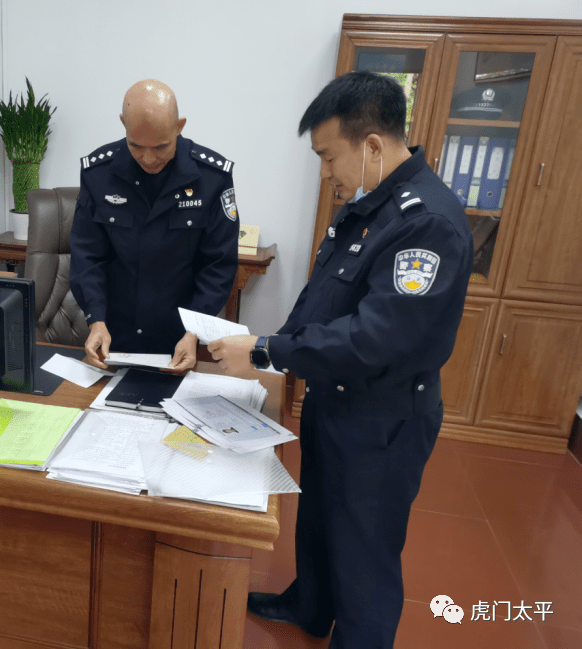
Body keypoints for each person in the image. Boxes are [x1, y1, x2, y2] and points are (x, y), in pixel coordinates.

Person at [208, 71, 473, 648]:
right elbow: (322, 300)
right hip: (336, 400)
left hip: (383, 418)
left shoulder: (425, 222)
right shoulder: (367, 206)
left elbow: (374, 338)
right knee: (322, 520)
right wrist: (268, 345)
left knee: (365, 551)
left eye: (329, 157)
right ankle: (309, 606)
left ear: (372, 145)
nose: (326, 173)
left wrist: (267, 352)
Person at [70, 79, 239, 371]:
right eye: (136, 146)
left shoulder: (212, 178)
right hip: (112, 337)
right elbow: (87, 255)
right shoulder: (98, 174)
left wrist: (194, 332)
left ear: (179, 127)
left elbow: (218, 265)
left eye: (161, 147)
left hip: (179, 339)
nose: (148, 158)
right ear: (123, 123)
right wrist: (95, 319)